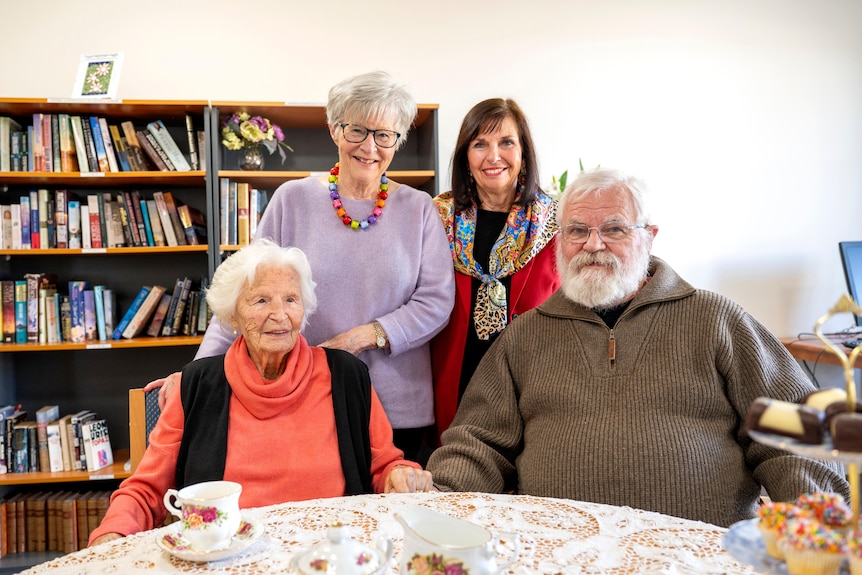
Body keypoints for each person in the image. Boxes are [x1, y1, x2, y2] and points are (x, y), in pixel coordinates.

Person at [426, 168, 851, 528]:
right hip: (558, 553)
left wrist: (814, 522)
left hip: (698, 553)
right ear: (559, 240)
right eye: (577, 230)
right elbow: (478, 442)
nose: (593, 245)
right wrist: (434, 500)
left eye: (613, 229)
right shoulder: (525, 336)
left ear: (649, 237)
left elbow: (797, 431)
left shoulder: (717, 319)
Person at [146, 71, 454, 464]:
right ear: (334, 130)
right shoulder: (292, 200)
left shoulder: (420, 209)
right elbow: (247, 294)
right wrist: (196, 374)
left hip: (397, 405)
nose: (370, 146)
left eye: (384, 134)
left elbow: (436, 301)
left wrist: (356, 339)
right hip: (306, 394)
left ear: (398, 140)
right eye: (357, 130)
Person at [90, 240, 434, 546]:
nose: (279, 314)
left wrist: (400, 475)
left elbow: (385, 466)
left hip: (331, 555)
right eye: (261, 300)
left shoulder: (345, 376)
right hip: (228, 559)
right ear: (233, 314)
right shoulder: (196, 385)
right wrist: (111, 535)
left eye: (290, 299)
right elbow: (146, 490)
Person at [430, 98, 559, 441]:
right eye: (480, 144)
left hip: (532, 386)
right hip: (451, 380)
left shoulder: (555, 224)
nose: (493, 156)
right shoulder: (437, 218)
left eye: (506, 142)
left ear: (523, 153)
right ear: (465, 156)